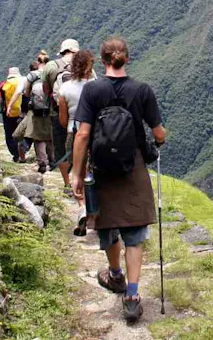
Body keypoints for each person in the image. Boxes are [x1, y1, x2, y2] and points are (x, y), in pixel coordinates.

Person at [71, 36, 166, 323]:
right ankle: (133, 296)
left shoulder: (92, 90)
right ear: (127, 59)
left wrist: (76, 173)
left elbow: (83, 134)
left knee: (109, 225)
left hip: (101, 168)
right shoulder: (142, 91)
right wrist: (157, 143)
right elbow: (159, 133)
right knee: (134, 234)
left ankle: (115, 275)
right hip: (133, 167)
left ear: (102, 61)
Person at [45, 39, 96, 188]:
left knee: (61, 150)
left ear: (63, 51)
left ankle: (68, 183)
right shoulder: (90, 72)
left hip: (62, 117)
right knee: (87, 157)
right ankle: (88, 185)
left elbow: (46, 89)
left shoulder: (51, 66)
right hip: (90, 125)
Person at [58, 49, 95, 234]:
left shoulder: (64, 89)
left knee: (77, 172)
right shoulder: (96, 86)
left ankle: (82, 206)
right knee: (93, 170)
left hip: (73, 133)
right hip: (96, 133)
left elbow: (63, 120)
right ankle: (94, 210)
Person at [22, 60, 55, 173]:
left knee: (38, 138)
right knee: (50, 137)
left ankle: (42, 164)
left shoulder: (32, 76)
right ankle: (53, 161)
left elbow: (26, 93)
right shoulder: (52, 73)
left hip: (37, 111)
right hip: (50, 110)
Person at [0, 67, 27, 162]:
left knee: (9, 133)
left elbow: (0, 99)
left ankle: (15, 154)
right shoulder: (23, 82)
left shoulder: (3, 85)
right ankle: (23, 152)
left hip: (7, 113)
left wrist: (3, 109)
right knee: (21, 133)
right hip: (21, 112)